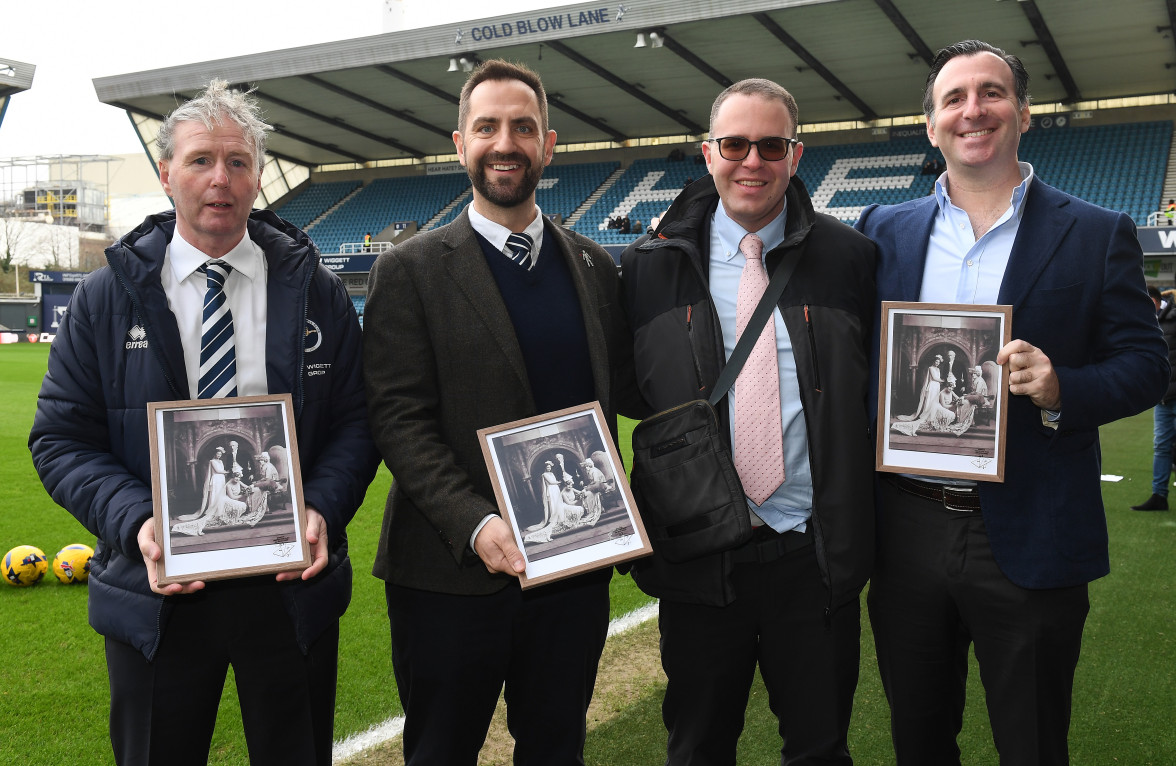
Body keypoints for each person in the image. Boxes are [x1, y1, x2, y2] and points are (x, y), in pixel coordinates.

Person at [28, 79, 379, 766]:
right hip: (155, 592)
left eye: (238, 161)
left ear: (257, 178)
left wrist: (319, 507)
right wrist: (139, 523)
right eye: (200, 160)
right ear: (167, 174)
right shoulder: (105, 298)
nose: (220, 178)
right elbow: (61, 440)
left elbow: (358, 423)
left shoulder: (318, 291)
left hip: (289, 592)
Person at [856, 40, 1169, 765]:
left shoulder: (1096, 233)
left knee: (1032, 743)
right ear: (930, 125)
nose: (974, 110)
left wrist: (1064, 387)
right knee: (919, 741)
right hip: (906, 528)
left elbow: (1147, 368)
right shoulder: (881, 230)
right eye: (955, 98)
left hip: (1030, 531)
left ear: (1023, 113)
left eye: (991, 92)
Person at [362, 59, 639, 765]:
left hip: (571, 571)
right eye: (487, 127)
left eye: (523, 126)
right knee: (440, 752)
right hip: (451, 574)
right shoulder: (410, 269)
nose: (504, 142)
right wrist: (476, 523)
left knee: (554, 750)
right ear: (460, 144)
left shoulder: (595, 267)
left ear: (549, 143)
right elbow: (398, 418)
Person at [621, 78, 876, 765]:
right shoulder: (648, 267)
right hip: (702, 565)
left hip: (811, 558)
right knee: (699, 747)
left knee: (821, 749)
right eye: (735, 144)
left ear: (796, 155)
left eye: (770, 145)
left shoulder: (852, 258)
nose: (752, 161)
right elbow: (622, 394)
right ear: (708, 154)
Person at [1131, 287, 1176, 510]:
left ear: (1154, 300)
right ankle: (1159, 497)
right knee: (1161, 447)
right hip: (1163, 397)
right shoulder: (1147, 323)